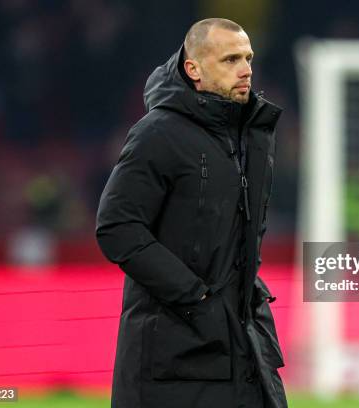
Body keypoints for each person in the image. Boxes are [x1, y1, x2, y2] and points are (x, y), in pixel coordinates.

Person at [96, 18, 287, 408]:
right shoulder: (157, 133)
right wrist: (196, 298)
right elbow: (117, 227)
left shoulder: (253, 136)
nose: (246, 69)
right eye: (230, 59)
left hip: (243, 345)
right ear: (193, 69)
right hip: (172, 357)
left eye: (248, 58)